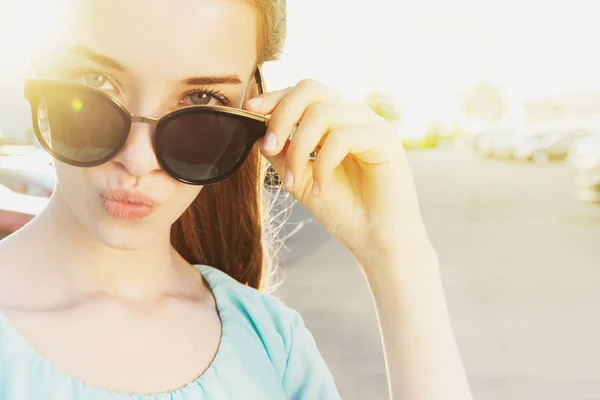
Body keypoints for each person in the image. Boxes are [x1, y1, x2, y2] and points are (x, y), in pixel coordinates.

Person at [0, 0, 473, 399]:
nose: (139, 160)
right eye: (96, 83)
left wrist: (395, 255)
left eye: (200, 101)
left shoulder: (272, 342)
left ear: (252, 111)